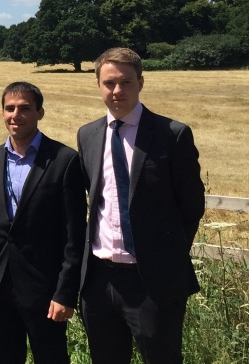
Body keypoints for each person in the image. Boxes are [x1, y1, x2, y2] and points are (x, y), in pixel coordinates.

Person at [78, 47, 205, 364]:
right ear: (98, 85)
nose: (117, 91)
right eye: (109, 83)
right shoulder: (88, 135)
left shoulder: (171, 135)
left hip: (153, 283)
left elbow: (191, 208)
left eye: (126, 82)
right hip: (99, 280)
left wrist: (163, 257)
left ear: (141, 83)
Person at [0, 82, 86, 364]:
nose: (16, 114)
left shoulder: (64, 161)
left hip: (44, 290)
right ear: (2, 113)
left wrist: (65, 293)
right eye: (10, 108)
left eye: (25, 108)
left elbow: (74, 236)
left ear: (40, 113)